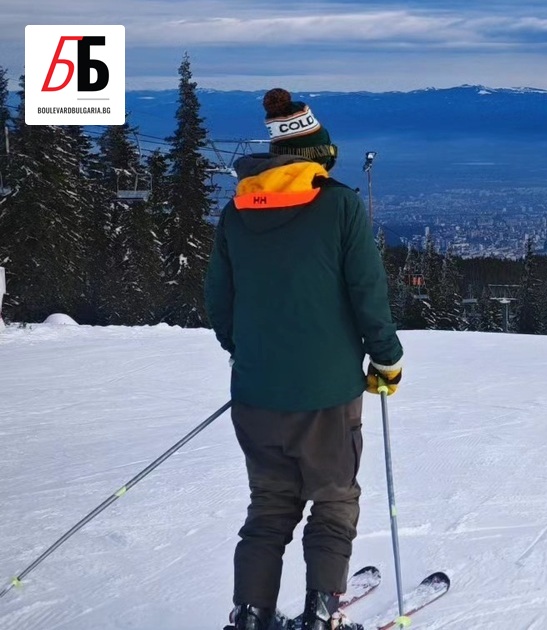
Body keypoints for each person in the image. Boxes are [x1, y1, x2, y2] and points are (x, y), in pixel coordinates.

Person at [205, 88, 404, 630]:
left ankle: (250, 616)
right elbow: (368, 293)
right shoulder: (340, 206)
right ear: (318, 157)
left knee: (269, 507)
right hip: (327, 397)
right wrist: (387, 361)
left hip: (255, 395)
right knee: (334, 501)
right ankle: (321, 615)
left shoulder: (236, 212)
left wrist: (250, 354)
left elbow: (219, 302)